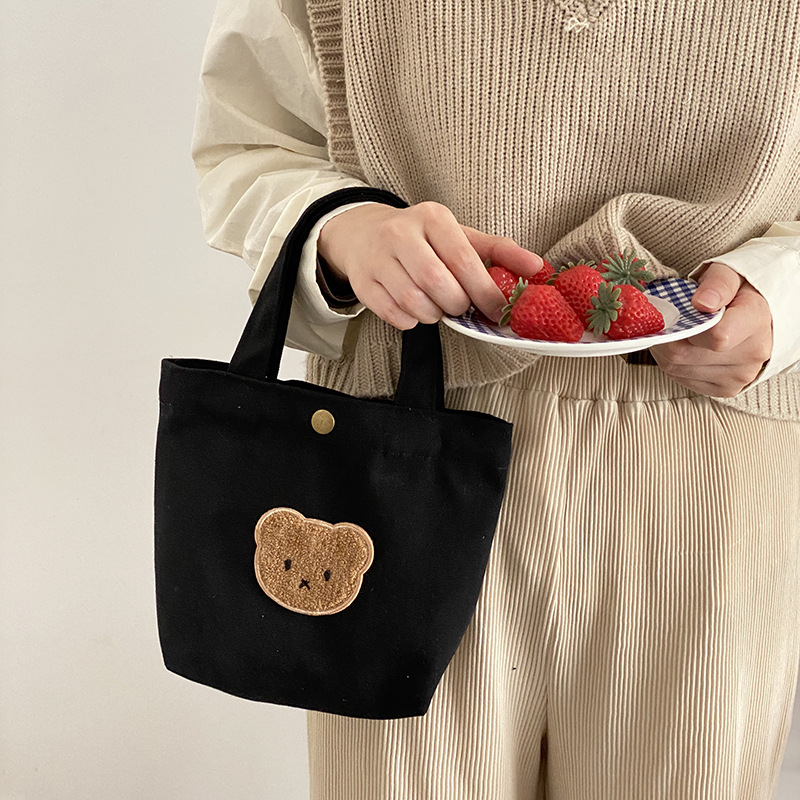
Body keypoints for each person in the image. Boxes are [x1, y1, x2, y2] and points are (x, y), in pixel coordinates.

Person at [191, 1, 800, 797]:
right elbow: (249, 140)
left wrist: (784, 299)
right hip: (398, 447)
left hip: (714, 464)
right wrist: (347, 227)